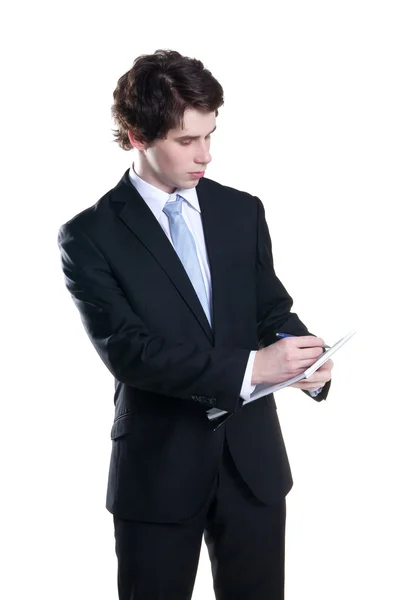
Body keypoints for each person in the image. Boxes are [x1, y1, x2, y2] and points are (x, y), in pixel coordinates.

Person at [58, 49, 333, 600]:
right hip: (158, 468)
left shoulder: (241, 211)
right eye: (187, 141)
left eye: (210, 135)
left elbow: (269, 310)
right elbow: (129, 352)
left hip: (252, 465)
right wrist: (253, 366)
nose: (205, 154)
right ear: (137, 135)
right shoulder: (88, 236)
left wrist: (305, 357)